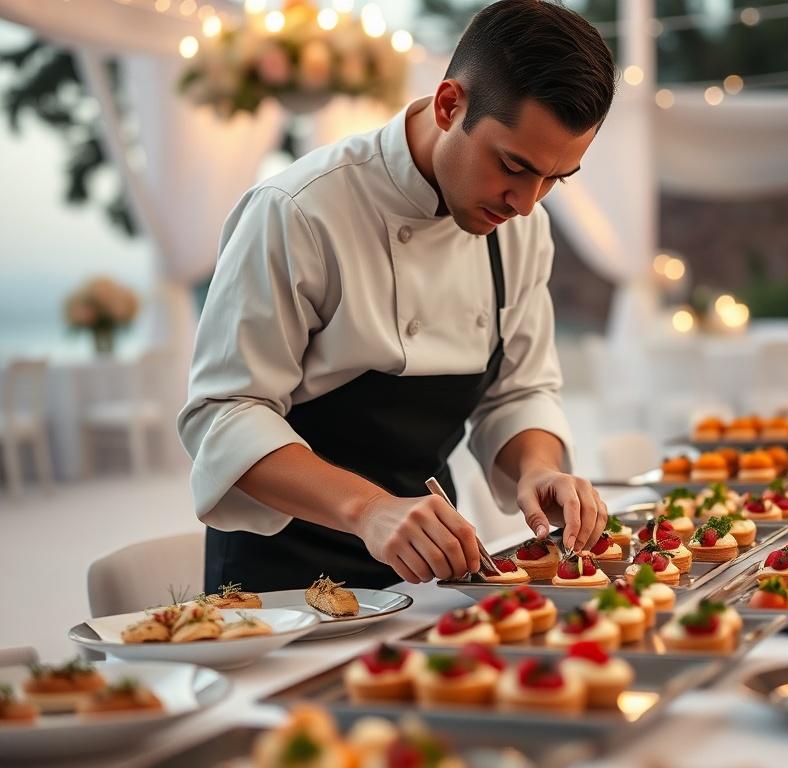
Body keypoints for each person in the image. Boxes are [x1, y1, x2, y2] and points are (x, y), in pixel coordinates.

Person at [178, 0, 617, 593]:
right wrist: (368, 510)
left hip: (431, 572)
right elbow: (224, 415)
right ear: (448, 104)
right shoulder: (299, 210)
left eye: (554, 179)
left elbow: (520, 389)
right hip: (281, 582)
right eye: (513, 165)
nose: (526, 203)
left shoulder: (520, 225)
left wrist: (536, 468)